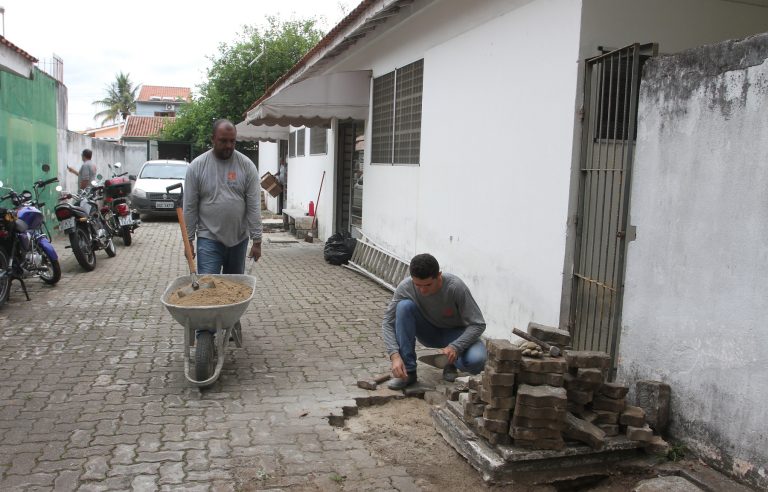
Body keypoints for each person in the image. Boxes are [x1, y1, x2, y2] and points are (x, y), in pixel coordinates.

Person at [381, 253, 487, 389]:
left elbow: (478, 324)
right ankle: (409, 373)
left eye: (428, 284)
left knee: (477, 361)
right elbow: (387, 323)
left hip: (456, 334)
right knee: (403, 307)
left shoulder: (455, 287)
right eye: (417, 285)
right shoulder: (405, 287)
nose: (423, 290)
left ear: (439, 275)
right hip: (429, 332)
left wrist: (457, 346)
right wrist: (394, 356)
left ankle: (451, 362)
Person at [183, 119, 262, 275]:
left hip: (239, 240)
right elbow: (190, 207)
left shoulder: (247, 166)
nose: (228, 145)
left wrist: (257, 240)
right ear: (213, 139)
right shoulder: (197, 167)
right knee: (208, 289)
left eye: (232, 141)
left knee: (233, 291)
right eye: (223, 141)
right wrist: (188, 241)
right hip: (208, 239)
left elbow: (254, 205)